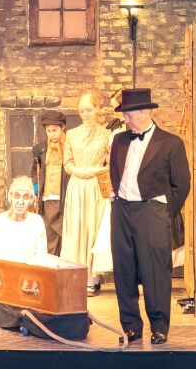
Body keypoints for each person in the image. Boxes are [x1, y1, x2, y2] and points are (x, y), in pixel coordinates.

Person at [109, 88, 190, 345]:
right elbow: (114, 173)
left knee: (155, 271)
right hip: (122, 211)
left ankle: (159, 326)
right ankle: (131, 326)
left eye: (129, 114)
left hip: (151, 211)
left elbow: (182, 184)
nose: (125, 119)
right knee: (123, 270)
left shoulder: (170, 143)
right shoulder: (119, 140)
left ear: (145, 112)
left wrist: (164, 212)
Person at [60, 92, 111, 296]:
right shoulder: (72, 134)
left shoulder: (106, 134)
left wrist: (97, 170)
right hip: (77, 186)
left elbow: (111, 163)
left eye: (89, 109)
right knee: (77, 229)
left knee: (93, 228)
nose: (86, 114)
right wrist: (79, 172)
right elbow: (67, 163)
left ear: (97, 109)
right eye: (82, 111)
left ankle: (92, 277)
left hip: (96, 186)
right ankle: (76, 274)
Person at [31, 110, 70, 256]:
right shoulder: (40, 149)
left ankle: (67, 263)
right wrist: (36, 185)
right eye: (48, 131)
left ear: (62, 128)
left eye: (54, 130)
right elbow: (34, 170)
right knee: (50, 236)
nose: (51, 134)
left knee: (67, 234)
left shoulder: (70, 146)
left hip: (66, 196)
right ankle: (52, 265)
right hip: (47, 198)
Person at [0, 176, 48, 261]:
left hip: (30, 269)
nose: (21, 202)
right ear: (10, 197)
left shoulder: (37, 222)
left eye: (26, 197)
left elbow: (42, 257)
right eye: (17, 196)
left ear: (31, 199)